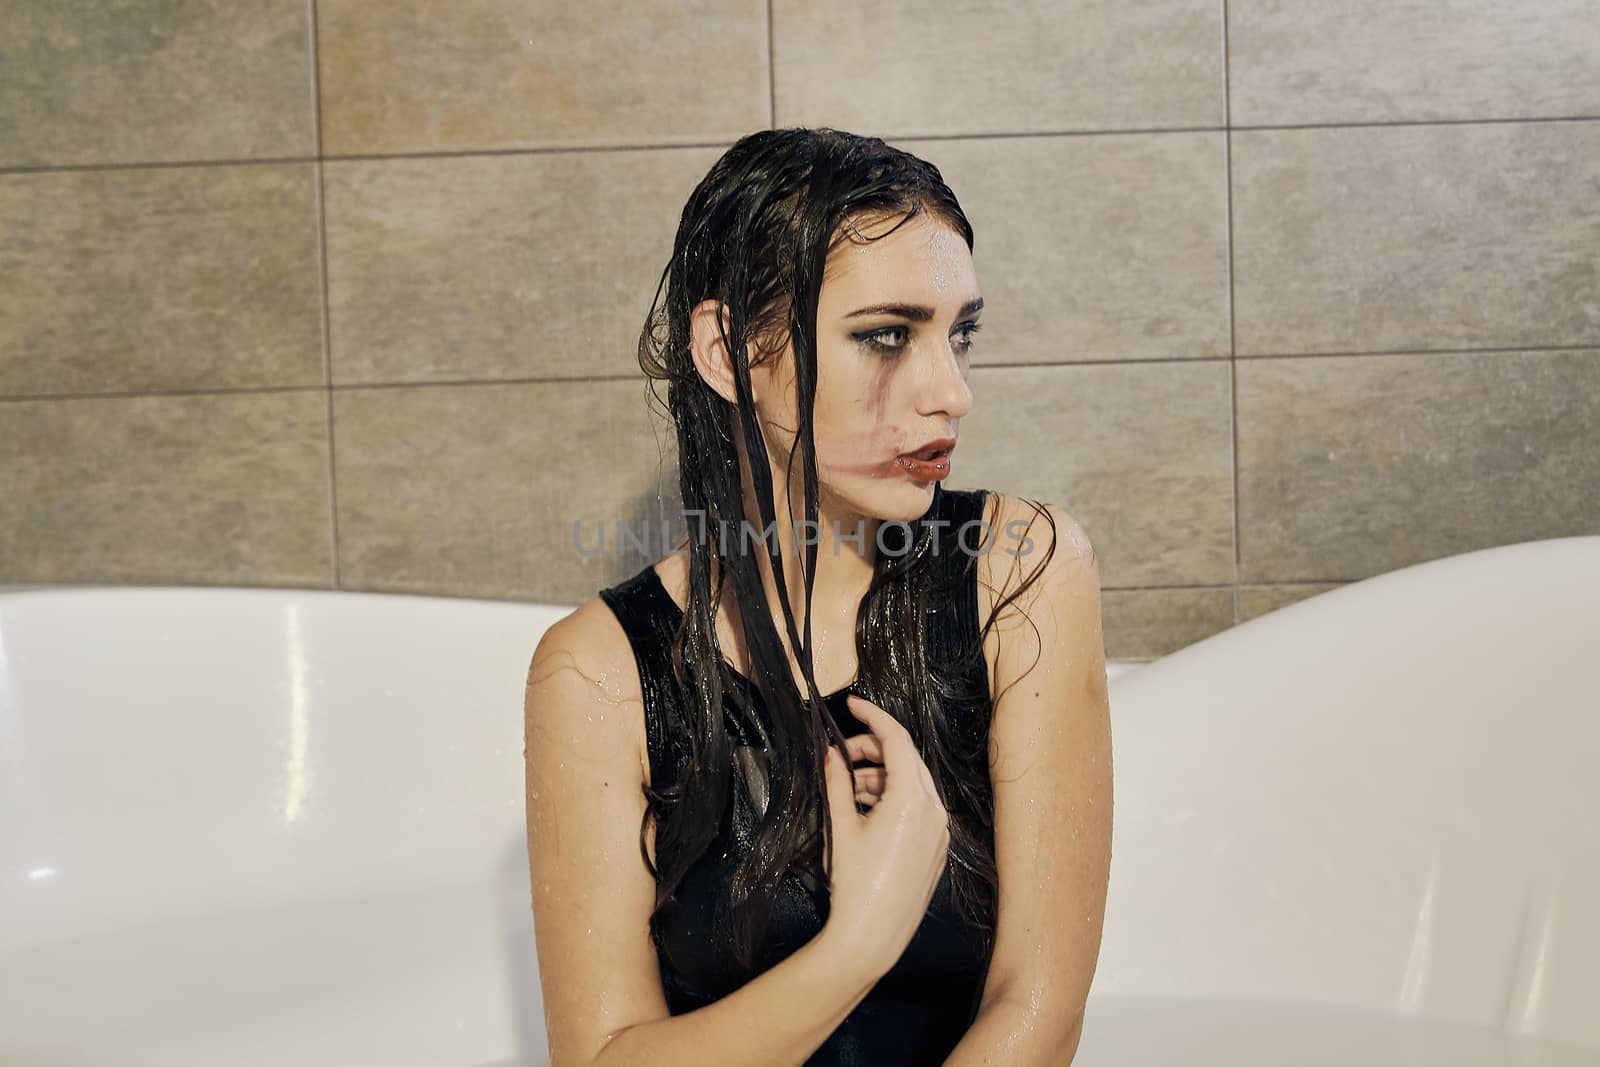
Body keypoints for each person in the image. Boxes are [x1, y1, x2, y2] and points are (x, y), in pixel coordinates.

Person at [524, 127, 1112, 1066]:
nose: (950, 391)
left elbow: (1039, 1007)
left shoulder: (1021, 571)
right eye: (886, 336)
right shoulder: (597, 669)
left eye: (959, 333)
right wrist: (860, 939)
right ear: (726, 352)